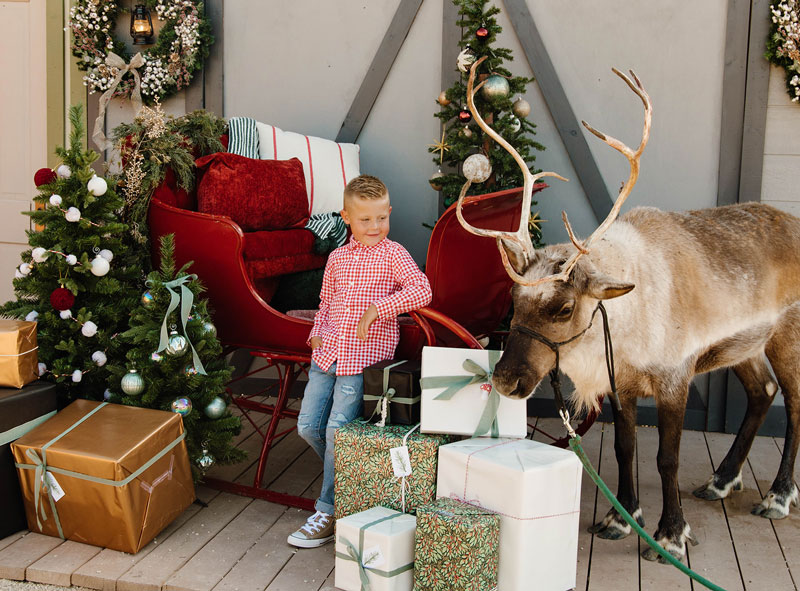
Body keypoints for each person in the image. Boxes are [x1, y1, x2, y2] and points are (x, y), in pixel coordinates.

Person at [287, 174, 432, 548]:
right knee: (308, 426)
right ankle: (354, 477)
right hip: (328, 353)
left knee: (338, 431)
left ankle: (327, 508)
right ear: (346, 217)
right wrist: (316, 332)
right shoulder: (337, 258)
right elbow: (326, 303)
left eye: (381, 218)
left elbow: (422, 289)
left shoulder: (393, 254)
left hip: (363, 360)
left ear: (388, 213)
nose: (375, 227)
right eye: (365, 219)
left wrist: (378, 310)